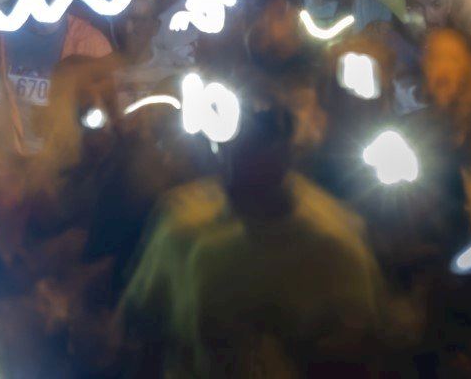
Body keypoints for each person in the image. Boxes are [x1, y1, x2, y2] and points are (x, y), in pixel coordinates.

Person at [120, 97, 387, 374]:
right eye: (232, 150)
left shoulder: (333, 244)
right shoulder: (181, 222)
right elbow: (142, 325)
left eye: (251, 152)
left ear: (284, 156)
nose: (235, 165)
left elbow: (359, 351)